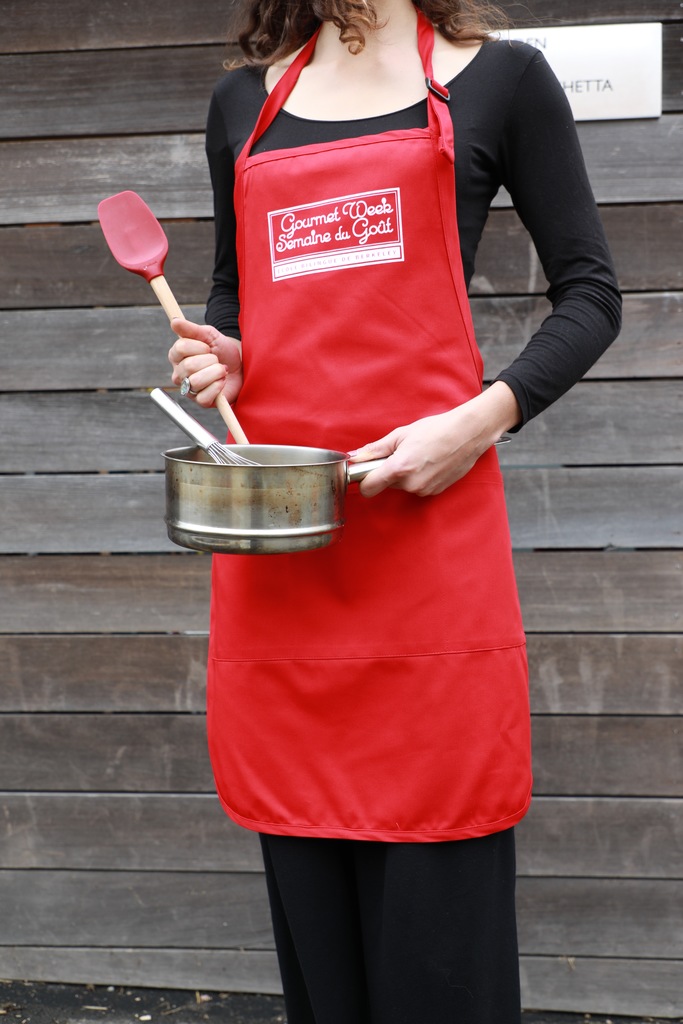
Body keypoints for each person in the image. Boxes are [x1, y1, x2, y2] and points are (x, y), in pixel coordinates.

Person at [167, 1, 622, 1021]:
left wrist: (476, 423)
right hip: (287, 562)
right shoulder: (240, 103)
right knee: (320, 953)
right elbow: (237, 301)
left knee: (440, 945)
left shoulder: (502, 80)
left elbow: (591, 295)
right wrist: (223, 355)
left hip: (428, 551)